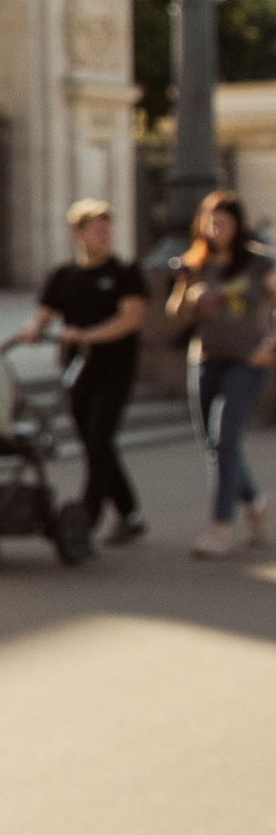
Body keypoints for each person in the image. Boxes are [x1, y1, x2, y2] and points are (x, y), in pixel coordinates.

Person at [13, 195, 149, 546]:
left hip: (115, 368)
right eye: (97, 231)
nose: (105, 236)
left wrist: (88, 334)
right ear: (78, 235)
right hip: (78, 370)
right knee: (94, 443)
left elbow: (131, 318)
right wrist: (33, 330)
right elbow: (44, 314)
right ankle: (130, 512)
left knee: (100, 438)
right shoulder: (63, 276)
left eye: (108, 231)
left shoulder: (124, 273)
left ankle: (87, 519)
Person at [164, 185, 274, 557]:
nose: (216, 229)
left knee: (225, 438)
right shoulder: (197, 263)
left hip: (248, 361)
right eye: (211, 222)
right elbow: (176, 316)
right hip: (206, 358)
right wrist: (184, 286)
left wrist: (271, 345)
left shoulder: (259, 263)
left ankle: (220, 527)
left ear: (237, 226)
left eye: (224, 222)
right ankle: (255, 501)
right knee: (213, 443)